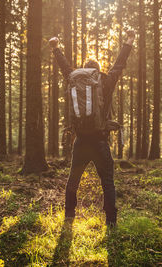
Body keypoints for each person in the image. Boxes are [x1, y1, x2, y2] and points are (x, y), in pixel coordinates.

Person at [49, 30, 135, 226]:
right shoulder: (105, 81)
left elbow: (64, 68)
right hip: (100, 142)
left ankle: (69, 216)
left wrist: (56, 49)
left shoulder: (74, 78)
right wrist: (128, 41)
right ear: (97, 71)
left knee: (73, 181)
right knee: (107, 182)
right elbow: (119, 64)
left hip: (80, 142)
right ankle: (111, 221)